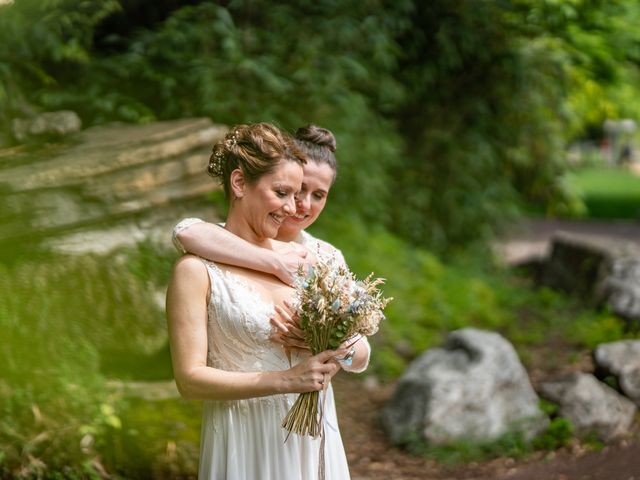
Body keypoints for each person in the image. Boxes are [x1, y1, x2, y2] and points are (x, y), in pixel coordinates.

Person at [166, 122, 351, 479]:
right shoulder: (196, 271)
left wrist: (331, 346)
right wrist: (287, 379)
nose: (293, 207)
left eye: (299, 194)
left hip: (312, 440)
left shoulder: (313, 261)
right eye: (282, 192)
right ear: (239, 183)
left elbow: (356, 347)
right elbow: (189, 380)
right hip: (242, 441)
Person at [173, 124, 371, 371]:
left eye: (318, 195)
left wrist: (328, 341)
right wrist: (275, 260)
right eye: (292, 191)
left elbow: (360, 359)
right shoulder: (222, 241)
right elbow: (185, 231)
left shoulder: (324, 257)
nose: (301, 205)